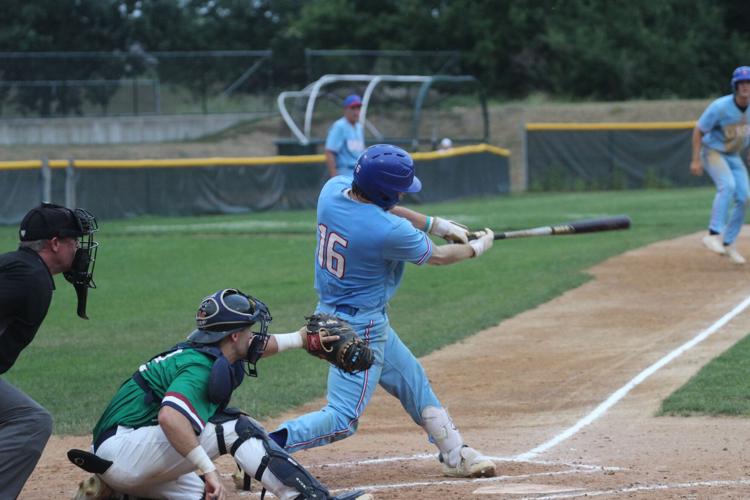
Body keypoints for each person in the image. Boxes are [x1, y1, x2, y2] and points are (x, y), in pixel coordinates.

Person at [269, 144, 497, 479]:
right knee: (343, 418)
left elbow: (383, 209)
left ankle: (455, 453)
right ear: (386, 192)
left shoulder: (332, 191)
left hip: (332, 314)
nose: (403, 196)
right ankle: (263, 449)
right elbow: (439, 257)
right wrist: (476, 248)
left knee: (412, 380)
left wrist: (436, 223)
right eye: (399, 191)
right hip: (360, 327)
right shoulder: (388, 231)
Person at [72, 288, 372, 500]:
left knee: (205, 495)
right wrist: (208, 468)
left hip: (121, 456)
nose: (255, 335)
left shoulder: (208, 352)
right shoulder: (197, 368)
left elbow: (252, 347)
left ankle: (119, 494)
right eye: (250, 330)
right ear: (233, 336)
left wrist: (300, 339)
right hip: (126, 451)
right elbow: (169, 418)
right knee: (236, 427)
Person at [0, 202, 98, 499]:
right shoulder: (30, 278)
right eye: (73, 242)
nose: (79, 250)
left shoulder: (21, 269)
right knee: (30, 421)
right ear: (55, 244)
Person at [690, 65, 750, 264]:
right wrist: (696, 159)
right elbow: (698, 130)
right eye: (741, 83)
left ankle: (729, 242)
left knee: (744, 196)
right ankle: (713, 234)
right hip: (713, 151)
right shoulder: (720, 106)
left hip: (733, 155)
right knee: (728, 185)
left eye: (748, 82)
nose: (745, 86)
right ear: (735, 85)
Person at [325, 94, 365, 178]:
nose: (356, 112)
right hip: (345, 173)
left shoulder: (359, 127)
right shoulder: (339, 126)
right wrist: (334, 177)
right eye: (353, 108)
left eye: (358, 108)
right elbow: (329, 152)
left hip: (359, 173)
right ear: (346, 109)